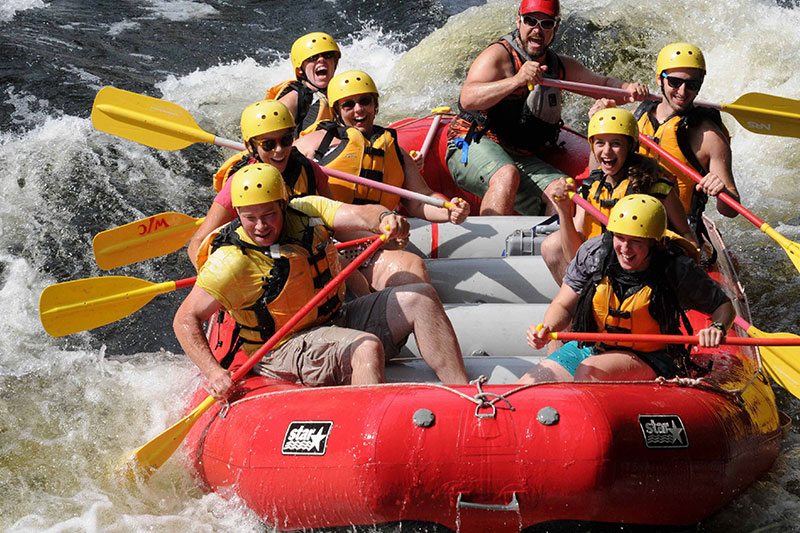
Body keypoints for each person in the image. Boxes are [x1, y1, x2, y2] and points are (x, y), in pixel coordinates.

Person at [174, 163, 469, 400]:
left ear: (283, 204)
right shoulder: (231, 261)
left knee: (421, 297)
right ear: (237, 213)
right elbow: (185, 318)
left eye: (269, 214)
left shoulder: (308, 210)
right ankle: (369, 433)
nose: (261, 226)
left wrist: (384, 217)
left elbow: (358, 213)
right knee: (366, 347)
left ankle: (464, 396)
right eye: (250, 218)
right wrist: (213, 372)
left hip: (335, 320)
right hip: (284, 347)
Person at [445, 0, 650, 216]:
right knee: (507, 175)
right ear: (519, 22)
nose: (537, 30)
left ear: (555, 28)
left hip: (521, 155)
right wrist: (516, 80)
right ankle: (489, 249)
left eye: (546, 24)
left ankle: (550, 247)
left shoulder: (559, 66)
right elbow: (467, 98)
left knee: (561, 190)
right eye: (530, 21)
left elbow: (603, 85)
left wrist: (628, 90)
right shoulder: (499, 56)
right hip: (473, 142)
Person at [520, 194, 734, 384]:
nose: (625, 248)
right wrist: (547, 327)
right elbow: (563, 305)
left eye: (636, 241)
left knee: (588, 373)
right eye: (620, 238)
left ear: (654, 243)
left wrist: (717, 327)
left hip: (650, 357)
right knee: (526, 388)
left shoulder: (675, 269)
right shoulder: (594, 254)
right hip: (592, 347)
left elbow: (723, 306)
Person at [294, 69, 470, 291]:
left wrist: (448, 210)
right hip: (332, 238)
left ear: (375, 106)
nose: (358, 109)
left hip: (378, 237)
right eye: (348, 105)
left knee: (410, 269)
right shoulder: (316, 145)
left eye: (364, 101)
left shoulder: (396, 152)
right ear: (337, 112)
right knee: (409, 267)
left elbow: (420, 199)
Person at [540, 107, 697, 282]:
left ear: (630, 146)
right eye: (600, 143)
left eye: (616, 143)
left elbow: (686, 233)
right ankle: (584, 304)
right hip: (602, 267)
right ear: (592, 146)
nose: (607, 151)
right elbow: (574, 257)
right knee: (552, 246)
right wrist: (564, 211)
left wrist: (691, 264)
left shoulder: (655, 186)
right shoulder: (590, 187)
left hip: (643, 269)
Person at [187, 99, 332, 269]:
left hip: (305, 253)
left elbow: (333, 218)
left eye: (285, 140)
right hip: (259, 266)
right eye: (269, 144)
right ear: (252, 146)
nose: (279, 150)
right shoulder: (241, 183)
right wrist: (211, 277)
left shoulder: (308, 169)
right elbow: (197, 243)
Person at [633, 42, 740, 248]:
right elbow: (601, 168)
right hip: (629, 221)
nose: (683, 91)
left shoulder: (709, 137)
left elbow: (731, 209)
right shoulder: (635, 119)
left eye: (692, 84)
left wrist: (722, 191)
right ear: (659, 79)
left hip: (677, 233)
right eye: (674, 82)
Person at [265, 32, 341, 137]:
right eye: (312, 58)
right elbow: (267, 135)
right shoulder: (293, 98)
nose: (321, 60)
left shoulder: (340, 91)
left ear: (335, 62)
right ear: (300, 69)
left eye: (327, 55)